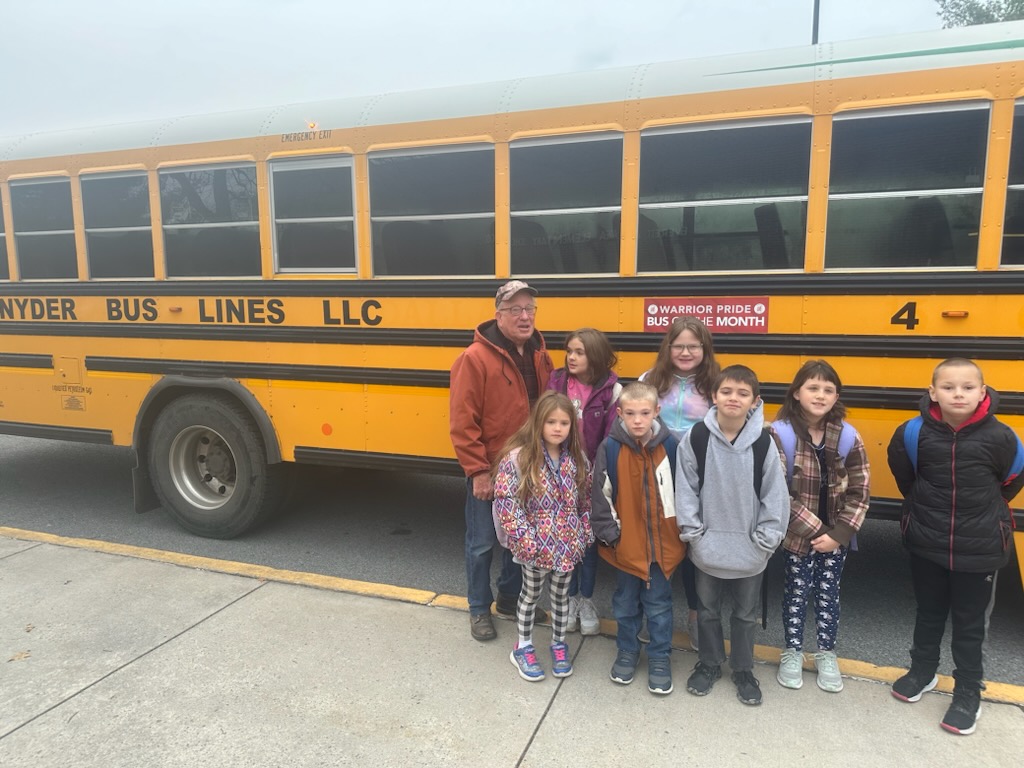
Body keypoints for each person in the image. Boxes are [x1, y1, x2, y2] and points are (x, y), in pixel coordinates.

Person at [887, 358, 1024, 736]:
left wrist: (981, 513)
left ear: (983, 392)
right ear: (933, 392)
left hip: (979, 547)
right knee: (928, 612)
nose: (958, 393)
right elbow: (906, 477)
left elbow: (1010, 481)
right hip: (927, 540)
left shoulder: (1002, 437)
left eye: (967, 387)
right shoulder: (912, 433)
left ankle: (967, 692)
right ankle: (922, 671)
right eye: (948, 387)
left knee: (970, 625)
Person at [676, 364, 788, 706]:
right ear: (714, 396)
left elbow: (775, 496)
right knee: (707, 611)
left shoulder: (764, 444)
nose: (733, 398)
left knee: (744, 614)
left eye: (742, 393)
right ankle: (709, 663)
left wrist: (767, 540)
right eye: (726, 391)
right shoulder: (696, 438)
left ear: (755, 401)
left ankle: (742, 669)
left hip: (750, 550)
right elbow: (686, 489)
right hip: (708, 549)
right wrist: (695, 534)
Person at [450, 280, 554, 641]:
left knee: (519, 539)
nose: (525, 317)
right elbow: (463, 423)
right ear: (499, 315)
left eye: (530, 310)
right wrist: (478, 471)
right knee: (481, 543)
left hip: (529, 467)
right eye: (515, 310)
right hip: (492, 468)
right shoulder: (473, 359)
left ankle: (510, 599)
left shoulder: (540, 355)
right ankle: (479, 608)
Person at [770, 360, 870, 694]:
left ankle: (826, 652)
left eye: (828, 390)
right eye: (813, 388)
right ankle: (793, 650)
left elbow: (860, 489)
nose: (820, 395)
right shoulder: (779, 434)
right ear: (796, 393)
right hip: (799, 536)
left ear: (836, 396)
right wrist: (817, 532)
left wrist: (840, 534)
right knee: (796, 593)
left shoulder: (848, 437)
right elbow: (777, 494)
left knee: (829, 594)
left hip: (837, 537)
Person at [591, 381, 684, 695]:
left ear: (657, 411)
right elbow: (600, 495)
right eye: (630, 413)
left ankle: (660, 657)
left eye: (645, 413)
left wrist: (679, 534)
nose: (638, 420)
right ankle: (627, 650)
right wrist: (612, 538)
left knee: (658, 605)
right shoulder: (611, 448)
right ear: (619, 413)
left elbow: (682, 494)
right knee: (625, 605)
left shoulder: (670, 446)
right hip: (626, 547)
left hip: (662, 548)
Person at [493, 391, 594, 681]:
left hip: (566, 546)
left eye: (564, 422)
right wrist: (526, 540)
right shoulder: (519, 459)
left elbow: (585, 501)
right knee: (531, 594)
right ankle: (523, 647)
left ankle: (558, 644)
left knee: (561, 597)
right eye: (551, 421)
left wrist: (583, 532)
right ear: (538, 422)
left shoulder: (577, 460)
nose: (558, 428)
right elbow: (507, 502)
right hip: (535, 547)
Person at [640, 316, 720, 651]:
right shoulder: (650, 380)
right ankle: (655, 614)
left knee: (693, 547)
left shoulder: (716, 384)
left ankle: (696, 614)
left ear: (704, 349)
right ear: (668, 347)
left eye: (693, 345)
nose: (686, 352)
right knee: (656, 544)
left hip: (699, 478)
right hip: (654, 474)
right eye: (679, 345)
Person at [546, 327, 621, 636]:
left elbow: (609, 437)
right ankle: (564, 600)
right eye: (570, 351)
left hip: (589, 476)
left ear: (596, 356)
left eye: (580, 352)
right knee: (560, 537)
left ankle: (585, 599)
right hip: (557, 473)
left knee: (587, 543)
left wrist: (597, 475)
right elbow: (545, 422)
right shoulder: (558, 382)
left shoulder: (611, 390)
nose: (572, 357)